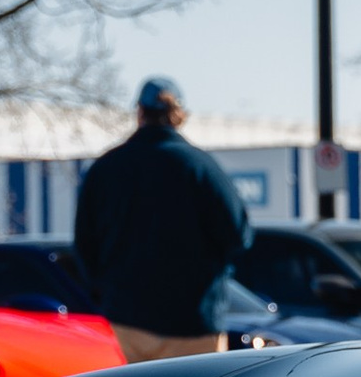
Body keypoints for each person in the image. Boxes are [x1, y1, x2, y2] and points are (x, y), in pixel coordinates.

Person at [70, 77, 251, 360]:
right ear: (178, 114)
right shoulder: (201, 167)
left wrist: (106, 290)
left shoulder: (106, 169)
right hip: (194, 321)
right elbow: (238, 236)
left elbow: (84, 245)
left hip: (126, 323)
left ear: (139, 112)